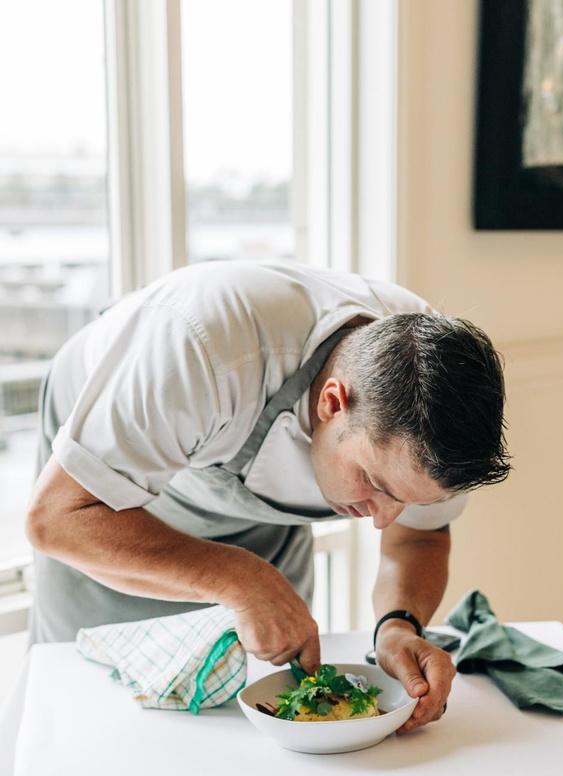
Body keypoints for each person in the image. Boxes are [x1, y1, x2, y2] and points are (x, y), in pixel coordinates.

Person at [26, 259, 510, 734]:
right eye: (374, 484)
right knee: (95, 711)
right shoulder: (200, 349)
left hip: (257, 513)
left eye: (408, 501)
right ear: (332, 403)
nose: (383, 520)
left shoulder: (440, 414)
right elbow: (56, 519)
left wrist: (398, 626)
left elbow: (419, 539)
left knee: (259, 706)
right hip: (102, 497)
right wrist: (240, 578)